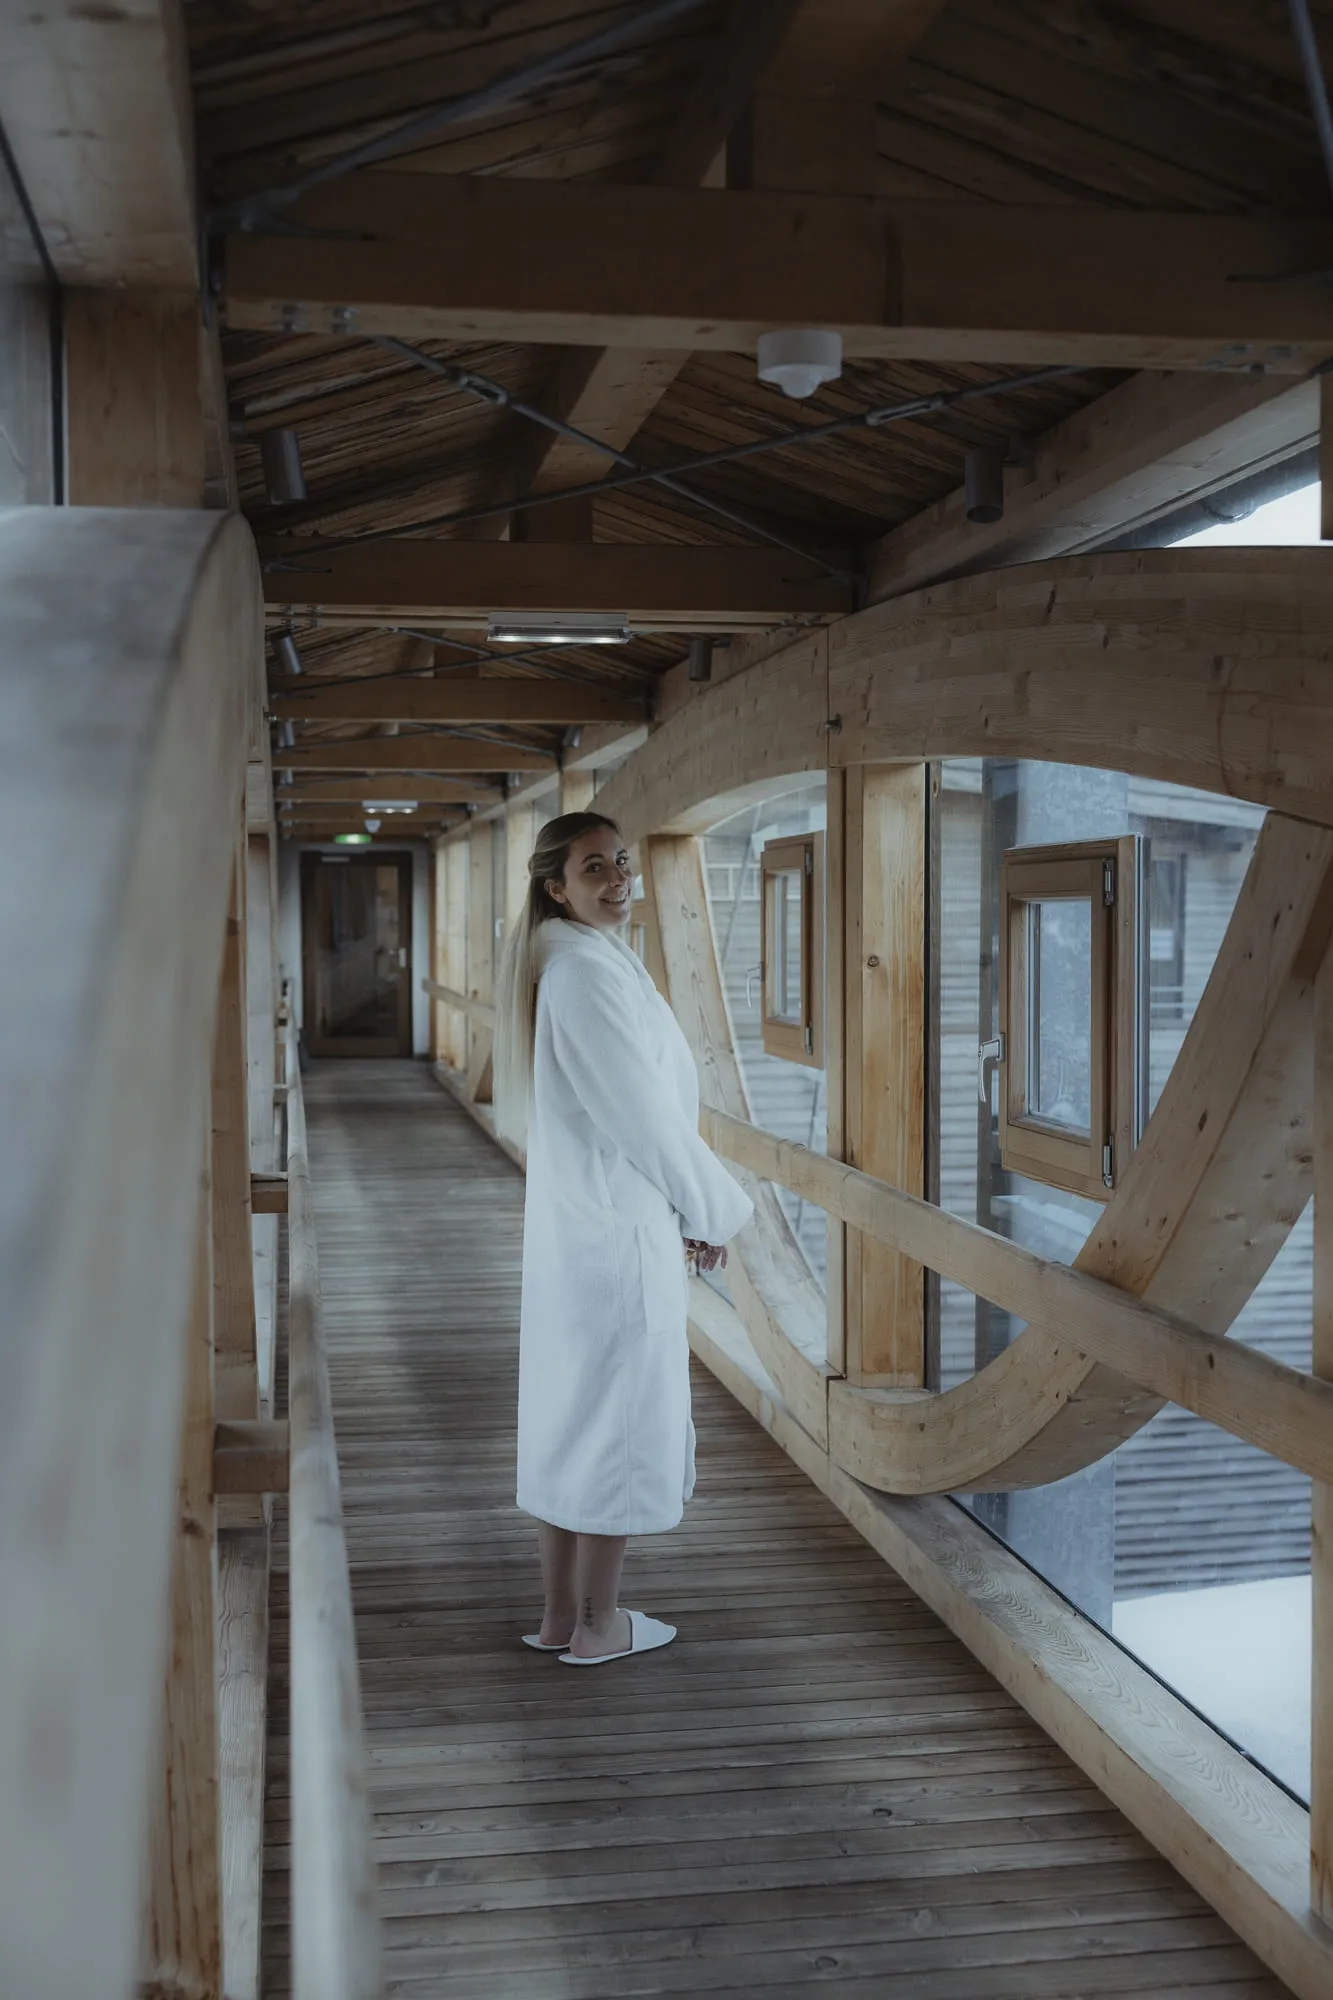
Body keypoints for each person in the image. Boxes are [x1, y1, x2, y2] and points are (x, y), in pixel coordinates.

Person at [492, 811, 753, 1666]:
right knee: (618, 1427)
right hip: (614, 1236)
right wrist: (711, 1210)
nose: (618, 880)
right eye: (593, 868)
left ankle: (558, 1617)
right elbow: (646, 1122)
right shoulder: (584, 977)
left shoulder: (575, 964)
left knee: (571, 1420)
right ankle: (600, 1626)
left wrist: (690, 1210)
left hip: (583, 1231)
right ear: (555, 887)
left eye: (622, 863)